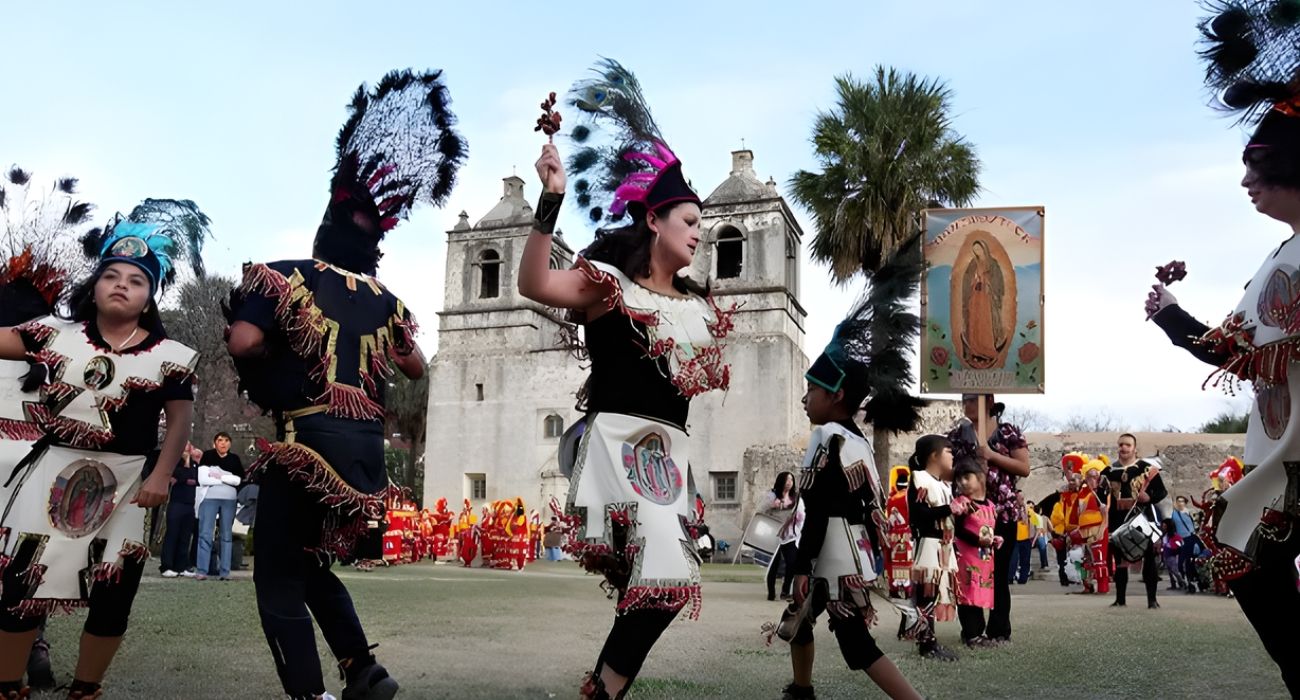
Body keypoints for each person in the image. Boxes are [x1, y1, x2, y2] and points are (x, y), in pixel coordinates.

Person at [226, 68, 462, 700]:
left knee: (276, 575)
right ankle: (363, 671)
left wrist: (272, 366)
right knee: (307, 563)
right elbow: (414, 365)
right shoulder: (388, 300)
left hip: (306, 444)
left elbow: (244, 342)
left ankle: (307, 693)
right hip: (365, 457)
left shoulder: (283, 275)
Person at [518, 59, 736, 700]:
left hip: (670, 458)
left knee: (654, 586)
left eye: (702, 226)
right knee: (670, 579)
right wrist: (550, 200)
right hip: (616, 446)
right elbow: (533, 283)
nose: (699, 235)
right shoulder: (607, 285)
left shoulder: (698, 307)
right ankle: (604, 690)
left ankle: (604, 689)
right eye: (690, 223)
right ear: (654, 221)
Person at [0, 199, 208, 699]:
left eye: (136, 280)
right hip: (49, 472)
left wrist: (160, 477)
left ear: (150, 296)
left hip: (130, 484)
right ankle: (6, 685)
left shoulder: (172, 357)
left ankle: (86, 689)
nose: (122, 284)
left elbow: (180, 421)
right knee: (21, 586)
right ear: (93, 287)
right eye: (111, 274)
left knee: (114, 594)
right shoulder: (53, 332)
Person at [779, 319, 921, 700]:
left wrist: (803, 566)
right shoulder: (858, 441)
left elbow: (819, 508)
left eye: (812, 389)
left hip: (832, 557)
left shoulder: (825, 436)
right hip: (854, 553)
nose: (805, 398)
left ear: (837, 394)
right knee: (801, 620)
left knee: (856, 644)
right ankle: (801, 689)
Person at [947, 394, 1030, 643]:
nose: (967, 404)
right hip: (968, 513)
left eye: (973, 399)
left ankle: (999, 629)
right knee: (968, 571)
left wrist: (991, 455)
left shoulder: (1007, 433)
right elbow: (947, 468)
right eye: (965, 399)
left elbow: (1023, 467)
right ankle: (972, 630)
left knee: (1000, 572)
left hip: (1001, 513)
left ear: (989, 401)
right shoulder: (957, 434)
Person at [908, 435, 960, 661]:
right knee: (926, 594)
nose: (952, 456)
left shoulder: (943, 485)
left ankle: (930, 641)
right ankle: (926, 643)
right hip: (929, 543)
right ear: (934, 455)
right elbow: (919, 515)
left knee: (937, 593)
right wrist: (949, 509)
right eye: (949, 451)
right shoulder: (919, 479)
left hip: (944, 546)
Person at [1100, 434, 1165, 609]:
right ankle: (1120, 599)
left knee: (1149, 559)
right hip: (1118, 520)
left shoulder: (1147, 469)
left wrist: (1148, 497)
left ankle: (1152, 600)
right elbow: (1101, 496)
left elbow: (1161, 493)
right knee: (1120, 561)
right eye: (1121, 444)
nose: (1124, 448)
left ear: (1134, 448)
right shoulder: (1108, 472)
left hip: (1143, 518)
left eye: (1127, 444)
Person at [952, 460, 1000, 647]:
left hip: (985, 559)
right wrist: (977, 541)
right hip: (967, 558)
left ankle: (977, 633)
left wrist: (995, 540)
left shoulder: (989, 505)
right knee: (967, 595)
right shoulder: (963, 504)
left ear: (980, 478)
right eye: (958, 479)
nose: (962, 482)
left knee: (979, 595)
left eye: (966, 477)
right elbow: (959, 530)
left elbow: (987, 529)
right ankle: (972, 635)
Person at [195, 431, 243, 580]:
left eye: (226, 440)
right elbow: (203, 479)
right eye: (220, 440)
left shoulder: (234, 459)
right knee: (205, 534)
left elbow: (238, 480)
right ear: (214, 442)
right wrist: (227, 479)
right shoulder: (208, 456)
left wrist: (218, 476)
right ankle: (202, 570)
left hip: (229, 500)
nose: (223, 443)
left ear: (230, 443)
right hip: (209, 499)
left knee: (226, 535)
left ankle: (225, 571)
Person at [161, 444, 202, 577]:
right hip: (176, 504)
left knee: (185, 537)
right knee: (172, 535)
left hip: (189, 505)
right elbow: (179, 475)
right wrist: (185, 464)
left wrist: (186, 475)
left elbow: (194, 478)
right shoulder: (175, 462)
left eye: (188, 446)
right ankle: (166, 566)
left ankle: (182, 566)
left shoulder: (194, 464)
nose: (187, 448)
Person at [765, 471, 800, 601]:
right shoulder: (772, 495)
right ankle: (771, 592)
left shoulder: (795, 497)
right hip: (775, 535)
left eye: (791, 479)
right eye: (787, 480)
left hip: (789, 535)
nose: (789, 482)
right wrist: (773, 505)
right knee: (773, 565)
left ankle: (785, 591)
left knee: (792, 563)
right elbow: (762, 510)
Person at [1009, 491, 1033, 585]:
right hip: (1015, 538)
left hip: (1026, 538)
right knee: (1013, 560)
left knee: (1025, 560)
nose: (1022, 499)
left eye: (1023, 497)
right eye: (1020, 497)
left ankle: (1023, 578)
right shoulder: (1012, 509)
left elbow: (1029, 522)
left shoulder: (1028, 509)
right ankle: (1010, 577)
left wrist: (1024, 508)